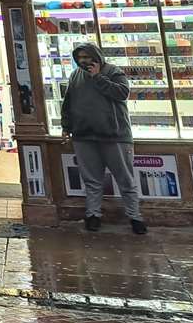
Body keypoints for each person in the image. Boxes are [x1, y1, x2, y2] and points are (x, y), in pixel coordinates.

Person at [62, 42, 146, 235]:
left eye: (87, 57)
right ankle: (93, 216)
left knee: (125, 179)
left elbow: (122, 93)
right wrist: (67, 127)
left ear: (96, 57)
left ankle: (135, 217)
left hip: (114, 136)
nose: (83, 61)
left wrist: (98, 77)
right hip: (84, 135)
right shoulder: (75, 76)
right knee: (91, 180)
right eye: (80, 58)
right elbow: (68, 102)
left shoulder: (113, 72)